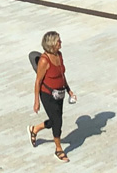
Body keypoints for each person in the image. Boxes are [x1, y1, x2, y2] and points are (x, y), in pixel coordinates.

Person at [30, 31, 76, 162]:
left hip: (60, 93)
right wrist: (36, 101)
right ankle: (58, 149)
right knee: (57, 121)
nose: (60, 43)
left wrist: (69, 90)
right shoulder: (44, 60)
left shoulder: (59, 55)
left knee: (56, 119)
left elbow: (61, 75)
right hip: (47, 94)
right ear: (51, 44)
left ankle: (35, 129)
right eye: (58, 41)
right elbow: (38, 81)